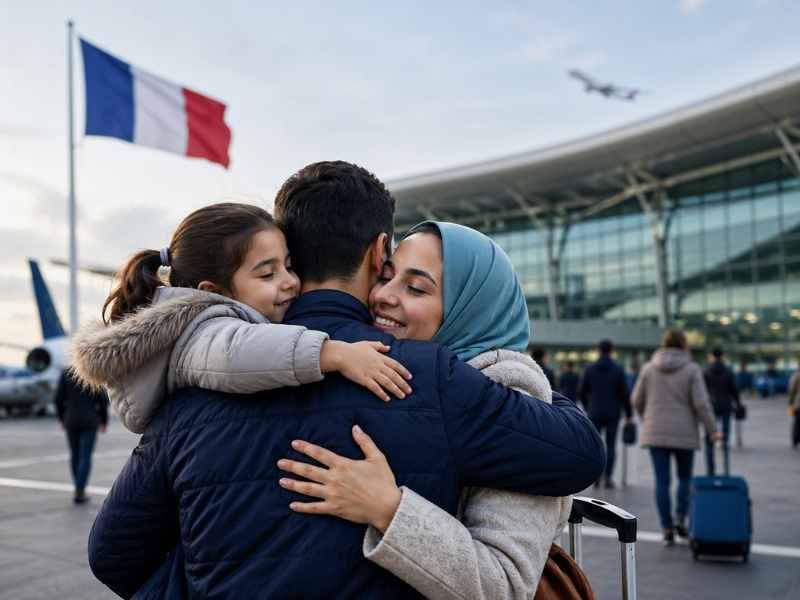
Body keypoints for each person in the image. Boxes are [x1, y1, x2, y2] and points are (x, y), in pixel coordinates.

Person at [87, 161, 604, 599]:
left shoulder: (194, 389)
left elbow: (112, 555)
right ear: (380, 253)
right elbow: (577, 454)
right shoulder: (427, 375)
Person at [277, 221, 572, 599]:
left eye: (415, 287)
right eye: (386, 276)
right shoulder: (387, 366)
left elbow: (506, 585)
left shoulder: (507, 391)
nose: (383, 295)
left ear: (470, 306)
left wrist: (388, 508)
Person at [71, 202, 413, 436]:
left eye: (289, 266)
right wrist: (335, 353)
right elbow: (234, 352)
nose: (290, 281)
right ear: (215, 289)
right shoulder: (201, 329)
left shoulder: (193, 323)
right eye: (267, 274)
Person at [632, 328, 721, 546]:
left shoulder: (649, 368)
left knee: (662, 481)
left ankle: (667, 527)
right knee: (684, 478)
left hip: (655, 433)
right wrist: (713, 429)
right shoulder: (691, 369)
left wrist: (648, 418)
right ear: (684, 345)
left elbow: (636, 399)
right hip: (684, 432)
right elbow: (701, 403)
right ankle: (681, 517)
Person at [578, 339, 632, 488]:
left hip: (594, 411)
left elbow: (582, 391)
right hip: (613, 412)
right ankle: (608, 478)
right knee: (611, 445)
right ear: (611, 351)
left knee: (596, 445)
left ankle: (596, 478)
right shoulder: (618, 369)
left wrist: (588, 407)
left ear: (599, 351)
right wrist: (628, 413)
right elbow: (624, 393)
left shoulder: (590, 368)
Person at [54, 369, 109, 503]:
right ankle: (80, 489)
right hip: (89, 420)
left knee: (75, 455)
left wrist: (62, 418)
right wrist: (104, 420)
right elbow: (102, 400)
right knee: (85, 456)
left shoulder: (65, 373)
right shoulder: (91, 372)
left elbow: (58, 399)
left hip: (71, 420)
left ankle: (78, 487)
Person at [703, 347, 741, 475]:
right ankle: (726, 468)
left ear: (712, 356)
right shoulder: (728, 371)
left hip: (711, 407)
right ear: (722, 355)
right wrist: (738, 403)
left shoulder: (706, 371)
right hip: (726, 406)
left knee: (709, 438)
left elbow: (702, 391)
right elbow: (734, 390)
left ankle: (710, 470)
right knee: (725, 435)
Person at [788, 365, 800, 448]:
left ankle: (795, 440)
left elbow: (792, 390)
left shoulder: (796, 375)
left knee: (797, 422)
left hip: (798, 403)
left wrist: (790, 403)